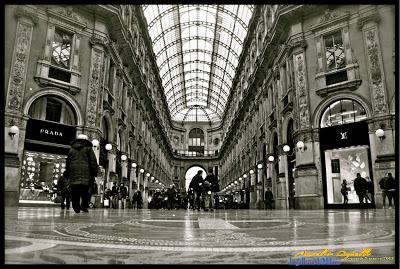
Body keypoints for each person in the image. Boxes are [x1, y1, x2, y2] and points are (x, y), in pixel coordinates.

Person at [65, 134, 98, 213]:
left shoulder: (72, 149)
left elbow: (68, 161)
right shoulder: (88, 148)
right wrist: (95, 172)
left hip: (73, 174)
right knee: (85, 191)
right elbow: (93, 161)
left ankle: (76, 207)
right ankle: (84, 206)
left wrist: (68, 172)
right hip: (86, 174)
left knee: (75, 191)